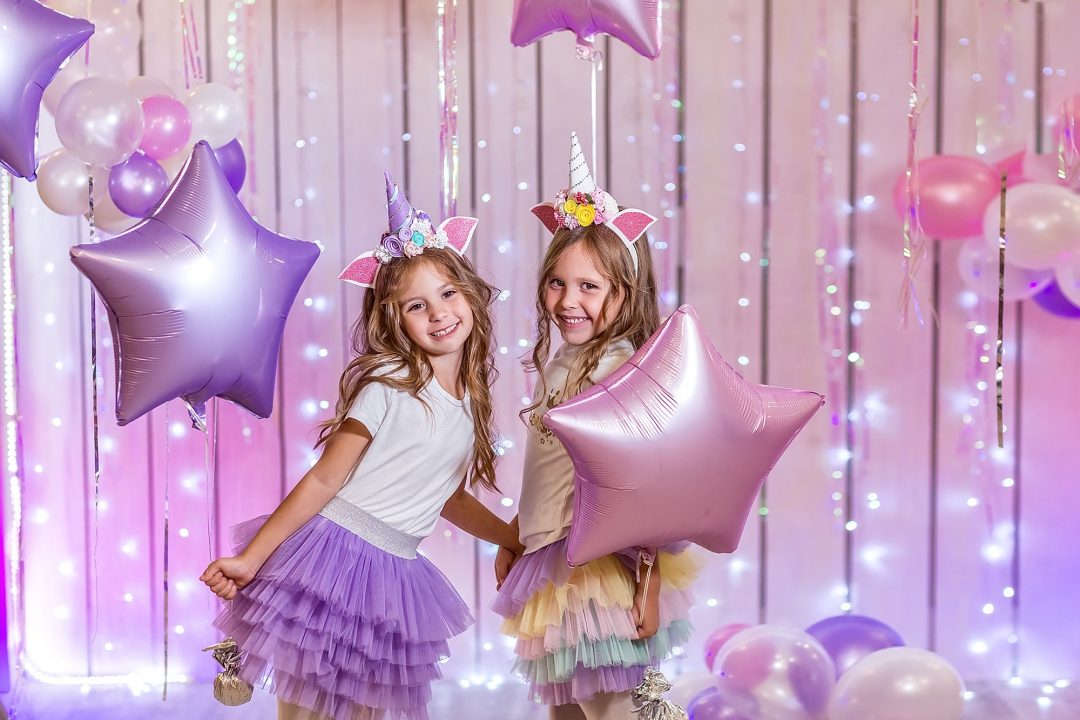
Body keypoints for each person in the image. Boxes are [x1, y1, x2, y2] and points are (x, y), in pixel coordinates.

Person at [200, 171, 523, 720]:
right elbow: (326, 478)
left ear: (469, 295)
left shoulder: (471, 400)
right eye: (416, 305)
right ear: (393, 319)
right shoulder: (389, 384)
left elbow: (444, 495)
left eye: (447, 294)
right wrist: (252, 559)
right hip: (334, 560)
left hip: (395, 572)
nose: (439, 312)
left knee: (368, 711)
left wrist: (508, 537)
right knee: (310, 708)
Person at [492, 134, 698, 719]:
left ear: (624, 292)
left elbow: (648, 485)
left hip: (604, 566)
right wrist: (520, 530)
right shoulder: (562, 361)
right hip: (553, 552)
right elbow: (557, 466)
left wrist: (649, 581)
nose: (567, 301)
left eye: (589, 286)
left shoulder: (621, 368)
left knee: (611, 709)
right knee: (566, 709)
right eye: (557, 283)